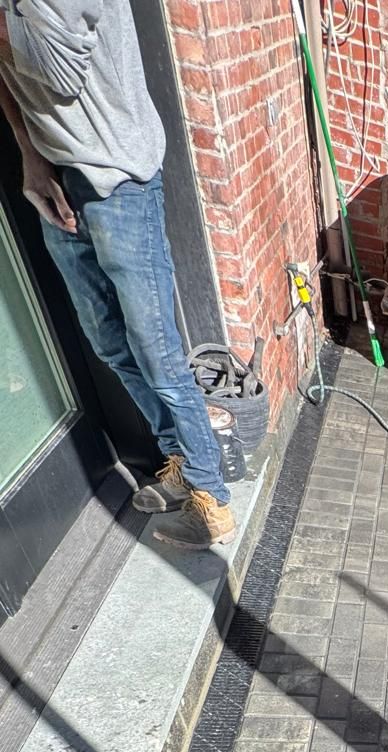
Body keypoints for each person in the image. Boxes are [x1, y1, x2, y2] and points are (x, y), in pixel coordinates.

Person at [0, 0, 237, 550]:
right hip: (57, 175)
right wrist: (29, 153)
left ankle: (211, 496)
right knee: (108, 342)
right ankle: (179, 458)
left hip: (121, 178)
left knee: (157, 350)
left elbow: (59, 73)